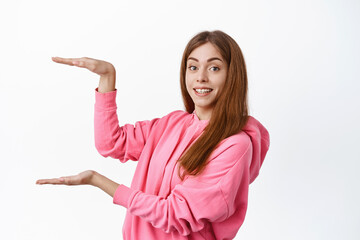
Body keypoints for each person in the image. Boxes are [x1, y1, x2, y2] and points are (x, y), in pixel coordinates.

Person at [36, 30, 270, 240]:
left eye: (214, 68)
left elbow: (174, 214)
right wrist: (107, 78)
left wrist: (97, 181)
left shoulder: (235, 146)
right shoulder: (173, 123)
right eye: (193, 67)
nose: (201, 77)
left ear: (232, 76)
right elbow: (111, 143)